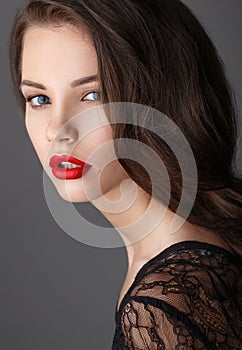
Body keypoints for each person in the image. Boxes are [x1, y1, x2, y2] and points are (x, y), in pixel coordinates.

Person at [9, 0, 242, 348]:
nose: (58, 131)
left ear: (158, 98)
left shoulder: (164, 303)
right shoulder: (195, 260)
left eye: (92, 95)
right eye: (40, 99)